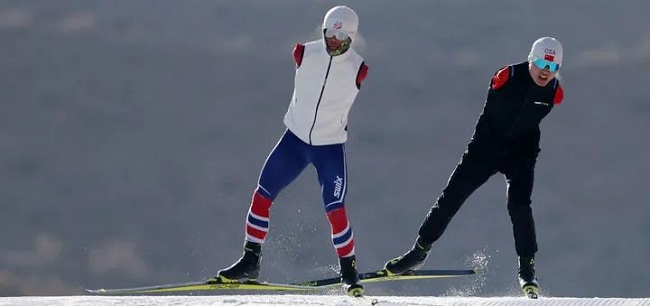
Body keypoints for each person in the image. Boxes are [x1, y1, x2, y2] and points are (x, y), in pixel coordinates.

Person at [382, 37, 564, 299]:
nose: (545, 70)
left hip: (521, 153)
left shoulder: (555, 92)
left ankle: (527, 270)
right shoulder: (507, 76)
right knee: (451, 198)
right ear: (530, 59)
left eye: (552, 65)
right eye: (540, 63)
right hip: (486, 148)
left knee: (520, 206)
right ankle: (419, 251)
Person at [211, 6, 368, 297]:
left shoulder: (358, 68)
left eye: (341, 35)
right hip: (294, 141)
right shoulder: (304, 53)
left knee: (335, 210)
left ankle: (349, 272)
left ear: (351, 37)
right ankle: (250, 260)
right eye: (330, 33)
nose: (334, 39)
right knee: (262, 194)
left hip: (329, 148)